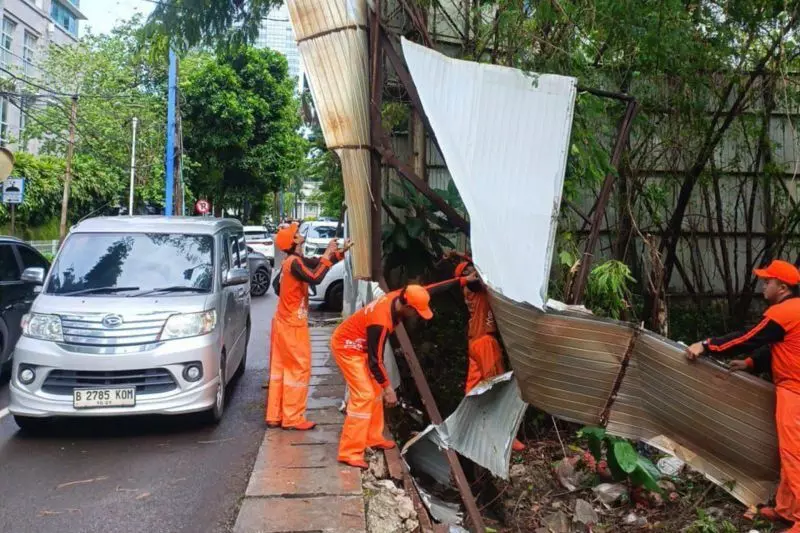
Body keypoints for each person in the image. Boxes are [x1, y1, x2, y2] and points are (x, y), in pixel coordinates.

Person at [685, 259, 800, 530]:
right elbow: (779, 347)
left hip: (794, 392)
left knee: (793, 454)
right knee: (790, 452)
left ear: (782, 288)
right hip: (793, 388)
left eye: (767, 282)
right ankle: (786, 510)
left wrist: (706, 345)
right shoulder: (795, 310)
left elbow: (747, 338)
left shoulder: (783, 313)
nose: (764, 286)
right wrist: (749, 364)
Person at [330, 277, 473, 469]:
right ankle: (349, 451)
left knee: (374, 391)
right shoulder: (379, 321)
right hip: (347, 347)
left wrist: (463, 280)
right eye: (416, 312)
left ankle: (373, 437)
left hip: (362, 347)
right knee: (363, 395)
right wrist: (389, 388)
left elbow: (433, 287)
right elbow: (375, 361)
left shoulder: (403, 296)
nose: (416, 315)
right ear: (406, 306)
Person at [265, 222, 351, 430]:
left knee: (280, 370)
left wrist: (335, 254)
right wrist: (329, 255)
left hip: (282, 321)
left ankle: (275, 415)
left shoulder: (291, 261)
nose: (300, 233)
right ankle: (293, 418)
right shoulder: (294, 262)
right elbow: (315, 277)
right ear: (294, 241)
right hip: (293, 325)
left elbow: (313, 264)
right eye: (297, 233)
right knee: (298, 370)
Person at [454, 257, 526, 452]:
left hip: (475, 342)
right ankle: (506, 437)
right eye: (470, 270)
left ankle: (469, 430)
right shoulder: (475, 287)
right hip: (485, 342)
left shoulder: (472, 289)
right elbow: (480, 278)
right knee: (497, 390)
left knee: (473, 391)